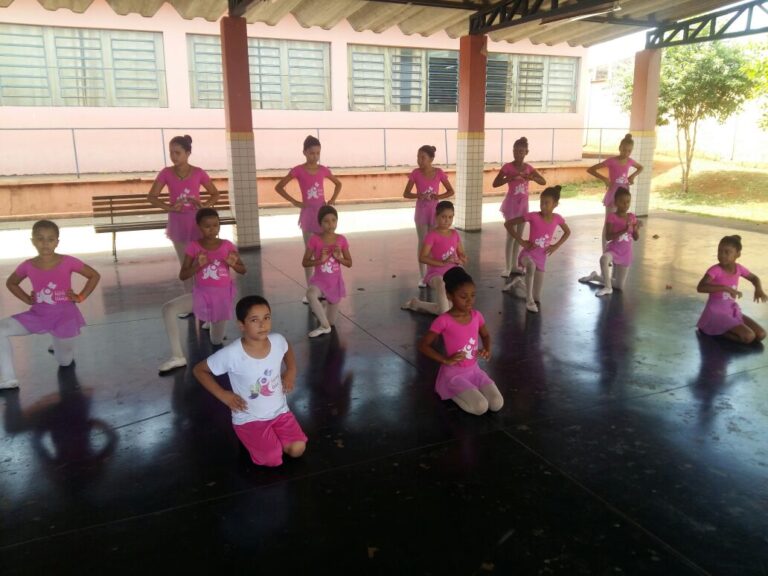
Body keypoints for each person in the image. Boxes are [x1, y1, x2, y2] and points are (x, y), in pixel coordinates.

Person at [193, 295, 307, 467]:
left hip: (280, 412)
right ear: (241, 325)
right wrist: (224, 395)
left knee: (297, 449)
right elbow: (199, 370)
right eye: (254, 320)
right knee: (272, 459)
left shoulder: (277, 340)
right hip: (249, 418)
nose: (263, 324)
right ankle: (249, 437)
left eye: (266, 318)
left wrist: (291, 370)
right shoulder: (232, 354)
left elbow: (287, 347)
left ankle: (268, 439)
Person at [1, 220, 100, 389]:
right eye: (40, 239)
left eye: (50, 239)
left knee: (65, 362)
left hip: (64, 317)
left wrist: (81, 296)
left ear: (57, 242)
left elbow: (94, 275)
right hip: (38, 315)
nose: (45, 243)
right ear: (32, 241)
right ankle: (8, 378)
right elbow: (11, 283)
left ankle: (57, 342)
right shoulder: (27, 265)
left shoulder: (68, 261)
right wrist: (26, 298)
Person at [159, 209, 246, 375]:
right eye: (207, 226)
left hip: (221, 298)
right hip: (201, 295)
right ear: (198, 227)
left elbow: (243, 270)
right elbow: (183, 274)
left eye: (215, 225)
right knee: (168, 308)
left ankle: (212, 323)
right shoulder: (194, 247)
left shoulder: (227, 245)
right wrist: (197, 265)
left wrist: (233, 264)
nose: (212, 229)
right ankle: (177, 356)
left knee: (216, 340)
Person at [418, 267, 502, 416]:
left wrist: (487, 349)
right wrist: (445, 359)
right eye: (463, 296)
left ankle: (471, 392)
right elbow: (423, 345)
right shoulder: (443, 320)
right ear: (449, 295)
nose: (469, 300)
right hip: (454, 375)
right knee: (481, 407)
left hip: (474, 370)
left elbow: (486, 335)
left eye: (473, 295)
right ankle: (448, 388)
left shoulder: (477, 316)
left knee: (496, 403)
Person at [147, 134, 219, 292]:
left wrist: (203, 205)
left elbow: (215, 194)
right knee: (185, 265)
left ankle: (205, 298)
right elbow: (152, 197)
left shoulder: (199, 172)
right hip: (178, 225)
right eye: (171, 152)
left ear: (187, 153)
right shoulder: (166, 173)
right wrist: (171, 208)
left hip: (198, 225)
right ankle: (191, 301)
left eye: (177, 153)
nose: (173, 156)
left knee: (201, 262)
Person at [275, 135, 342, 288]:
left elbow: (338, 184)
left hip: (322, 214)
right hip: (308, 214)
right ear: (304, 152)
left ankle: (323, 284)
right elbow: (279, 187)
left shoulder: (323, 170)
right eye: (312, 153)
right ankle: (310, 287)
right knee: (310, 252)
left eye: (318, 153)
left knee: (325, 250)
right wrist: (295, 202)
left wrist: (332, 200)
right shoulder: (298, 170)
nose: (315, 156)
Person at [502, 186, 571, 313]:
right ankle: (529, 301)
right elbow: (508, 224)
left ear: (555, 204)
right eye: (541, 202)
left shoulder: (557, 218)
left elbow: (567, 232)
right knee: (531, 267)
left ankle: (518, 284)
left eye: (547, 203)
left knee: (537, 297)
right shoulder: (533, 216)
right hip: (527, 255)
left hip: (541, 257)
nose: (543, 206)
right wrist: (521, 241)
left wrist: (556, 245)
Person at [696, 235, 766, 344]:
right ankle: (716, 329)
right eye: (720, 251)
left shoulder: (739, 268)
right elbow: (701, 287)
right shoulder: (715, 270)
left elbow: (754, 278)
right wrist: (725, 288)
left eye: (727, 252)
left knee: (761, 334)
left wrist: (759, 289)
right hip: (716, 313)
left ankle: (723, 328)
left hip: (731, 311)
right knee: (749, 337)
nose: (722, 255)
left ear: (737, 254)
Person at [492, 136, 546, 277]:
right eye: (516, 151)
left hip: (523, 205)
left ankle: (515, 265)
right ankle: (507, 267)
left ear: (526, 152)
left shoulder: (528, 168)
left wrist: (531, 177)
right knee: (510, 236)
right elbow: (495, 183)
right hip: (511, 204)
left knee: (519, 236)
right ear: (513, 151)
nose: (518, 154)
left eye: (521, 151)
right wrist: (509, 178)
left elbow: (543, 181)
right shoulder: (507, 167)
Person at [401, 201, 467, 316]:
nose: (447, 220)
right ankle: (441, 312)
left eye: (450, 217)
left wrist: (462, 259)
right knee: (443, 287)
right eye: (444, 217)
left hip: (452, 273)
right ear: (436, 217)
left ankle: (416, 303)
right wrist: (442, 262)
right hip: (436, 274)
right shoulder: (432, 235)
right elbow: (422, 257)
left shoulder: (454, 233)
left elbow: (461, 253)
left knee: (447, 310)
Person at [402, 144, 455, 286]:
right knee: (423, 242)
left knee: (434, 243)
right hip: (421, 212)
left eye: (423, 157)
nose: (420, 160)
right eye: (418, 157)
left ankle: (434, 272)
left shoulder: (438, 172)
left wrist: (438, 196)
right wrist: (419, 195)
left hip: (435, 213)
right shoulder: (415, 173)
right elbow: (406, 193)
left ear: (431, 159)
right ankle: (422, 275)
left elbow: (450, 190)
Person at [578, 187, 642, 296]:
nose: (625, 205)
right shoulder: (612, 217)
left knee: (619, 286)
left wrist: (635, 229)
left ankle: (595, 277)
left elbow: (636, 238)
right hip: (613, 250)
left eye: (628, 202)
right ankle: (608, 287)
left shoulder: (632, 217)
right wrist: (624, 230)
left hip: (626, 253)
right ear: (616, 202)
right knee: (604, 259)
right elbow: (608, 237)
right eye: (622, 202)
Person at [302, 206, 352, 338]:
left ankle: (324, 313)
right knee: (310, 294)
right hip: (319, 281)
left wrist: (338, 257)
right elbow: (305, 262)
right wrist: (320, 260)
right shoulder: (314, 239)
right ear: (320, 223)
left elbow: (349, 263)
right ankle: (324, 326)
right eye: (326, 221)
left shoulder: (341, 239)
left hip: (334, 283)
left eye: (333, 220)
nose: (331, 224)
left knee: (332, 322)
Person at [586, 133, 643, 249]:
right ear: (619, 148)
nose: (626, 153)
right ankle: (605, 250)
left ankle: (617, 248)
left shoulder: (630, 161)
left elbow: (640, 167)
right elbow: (591, 169)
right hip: (613, 195)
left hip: (624, 194)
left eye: (629, 151)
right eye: (624, 150)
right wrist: (604, 179)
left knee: (621, 221)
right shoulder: (611, 161)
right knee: (609, 223)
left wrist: (632, 176)